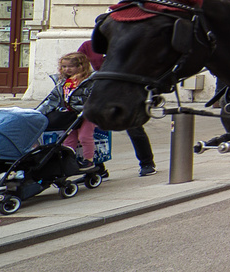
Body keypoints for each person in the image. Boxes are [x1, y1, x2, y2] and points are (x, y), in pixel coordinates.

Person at [47, 49, 158, 177]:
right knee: (91, 135)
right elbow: (77, 59)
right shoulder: (91, 44)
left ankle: (146, 163)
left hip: (122, 93)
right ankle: (97, 170)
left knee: (133, 127)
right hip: (97, 94)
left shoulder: (128, 41)